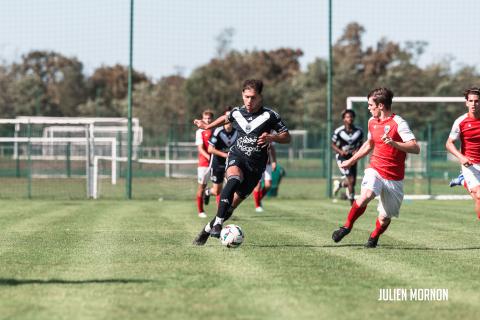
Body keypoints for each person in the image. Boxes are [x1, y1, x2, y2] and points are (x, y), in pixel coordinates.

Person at [192, 79, 291, 245]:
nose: (249, 101)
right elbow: (226, 117)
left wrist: (272, 137)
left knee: (230, 208)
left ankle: (207, 230)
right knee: (233, 179)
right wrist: (207, 127)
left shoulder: (270, 116)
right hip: (237, 156)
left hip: (256, 167)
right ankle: (217, 224)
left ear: (260, 96)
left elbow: (287, 137)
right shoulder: (237, 112)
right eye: (246, 97)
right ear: (242, 95)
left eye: (253, 97)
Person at [331, 87, 420, 248]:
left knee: (385, 217)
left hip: (394, 177)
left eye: (370, 104)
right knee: (366, 195)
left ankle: (373, 237)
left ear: (380, 105)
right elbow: (369, 144)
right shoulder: (372, 122)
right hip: (376, 168)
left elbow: (415, 147)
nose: (368, 107)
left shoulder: (398, 123)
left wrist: (394, 143)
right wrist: (351, 160)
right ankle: (346, 227)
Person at [445, 87, 480, 218]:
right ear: (466, 103)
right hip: (470, 165)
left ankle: (462, 181)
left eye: (476, 101)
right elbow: (449, 143)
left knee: (477, 197)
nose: (473, 104)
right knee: (479, 195)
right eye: (470, 101)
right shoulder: (460, 122)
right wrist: (461, 157)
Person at [203, 115, 238, 206]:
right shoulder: (218, 131)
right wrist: (224, 155)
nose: (228, 124)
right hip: (218, 164)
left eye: (230, 122)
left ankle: (225, 211)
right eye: (226, 122)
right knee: (216, 191)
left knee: (231, 187)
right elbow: (210, 149)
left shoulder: (237, 132)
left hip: (230, 164)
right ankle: (207, 192)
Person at [331, 109, 364, 204]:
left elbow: (361, 143)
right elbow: (332, 144)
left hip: (353, 158)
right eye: (347, 117)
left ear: (354, 118)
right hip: (342, 158)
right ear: (344, 119)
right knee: (351, 179)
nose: (349, 118)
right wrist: (340, 151)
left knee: (352, 183)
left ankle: (340, 184)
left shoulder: (359, 131)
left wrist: (357, 150)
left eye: (351, 116)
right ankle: (352, 202)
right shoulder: (339, 131)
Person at [195, 109, 214, 218]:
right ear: (202, 119)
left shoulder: (216, 130)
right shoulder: (199, 132)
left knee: (219, 186)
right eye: (205, 118)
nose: (207, 120)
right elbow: (200, 148)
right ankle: (200, 211)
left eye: (209, 118)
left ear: (212, 119)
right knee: (202, 186)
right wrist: (209, 156)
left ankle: (221, 212)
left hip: (216, 162)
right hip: (204, 163)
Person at [252, 143, 277, 212]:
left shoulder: (269, 135)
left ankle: (258, 199)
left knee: (268, 185)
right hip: (257, 164)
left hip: (267, 164)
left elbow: (272, 148)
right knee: (258, 185)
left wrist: (274, 162)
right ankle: (258, 206)